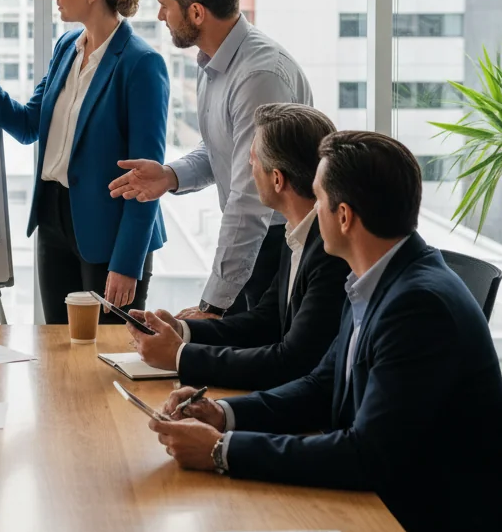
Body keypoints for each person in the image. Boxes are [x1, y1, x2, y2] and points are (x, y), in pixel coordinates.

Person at [146, 131, 502, 532]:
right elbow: (323, 386)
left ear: (344, 216)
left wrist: (222, 451)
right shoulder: (375, 277)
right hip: (386, 499)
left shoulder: (418, 307)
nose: (312, 211)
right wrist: (222, 415)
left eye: (319, 200)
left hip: (428, 529)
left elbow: (367, 456)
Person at [0, 0, 169, 323]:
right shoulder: (67, 46)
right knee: (58, 349)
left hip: (110, 234)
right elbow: (29, 124)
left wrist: (127, 263)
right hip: (54, 219)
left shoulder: (142, 64)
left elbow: (145, 178)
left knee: (104, 358)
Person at [109, 0, 312, 320]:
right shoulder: (216, 63)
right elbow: (221, 149)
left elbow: (250, 202)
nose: (160, 15)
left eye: (165, 5)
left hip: (277, 243)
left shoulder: (257, 76)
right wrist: (170, 176)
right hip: (259, 241)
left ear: (196, 13)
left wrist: (213, 305)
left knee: (256, 368)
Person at [127, 103, 350, 391]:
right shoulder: (297, 233)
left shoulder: (329, 252)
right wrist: (181, 331)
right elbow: (266, 321)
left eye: (253, 159)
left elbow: (292, 362)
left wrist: (180, 356)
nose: (247, 167)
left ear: (277, 179)